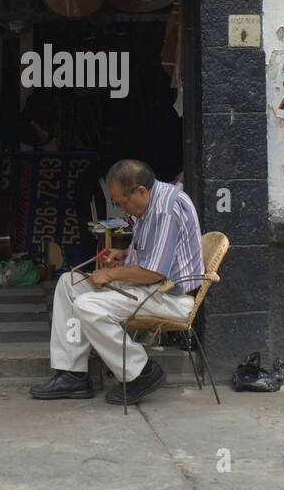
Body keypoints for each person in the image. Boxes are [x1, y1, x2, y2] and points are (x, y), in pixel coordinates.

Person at [30, 159, 204, 405]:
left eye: (123, 202)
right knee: (68, 284)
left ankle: (141, 372)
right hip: (148, 289)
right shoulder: (148, 206)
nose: (123, 209)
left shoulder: (167, 208)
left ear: (141, 191)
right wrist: (124, 256)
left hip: (170, 297)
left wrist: (110, 274)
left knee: (86, 305)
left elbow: (153, 273)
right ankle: (72, 374)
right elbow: (153, 255)